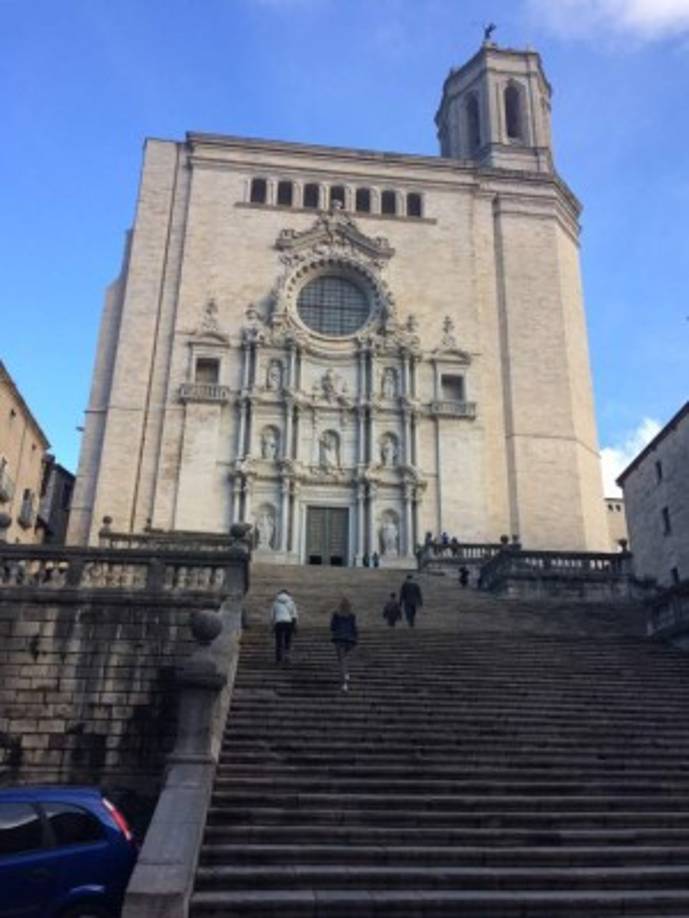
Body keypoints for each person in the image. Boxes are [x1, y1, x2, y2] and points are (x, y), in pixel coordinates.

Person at [330, 596, 358, 691]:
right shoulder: (352, 615)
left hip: (339, 639)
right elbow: (354, 628)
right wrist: (355, 639)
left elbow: (332, 627)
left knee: (341, 661)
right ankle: (346, 674)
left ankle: (344, 683)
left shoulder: (336, 614)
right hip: (349, 640)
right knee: (344, 659)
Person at [270, 589, 298, 664]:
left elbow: (272, 615)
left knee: (278, 641)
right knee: (287, 640)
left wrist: (272, 625)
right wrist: (294, 625)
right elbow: (294, 615)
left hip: (278, 622)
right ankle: (287, 656)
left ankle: (278, 658)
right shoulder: (291, 602)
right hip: (288, 622)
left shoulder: (275, 603)